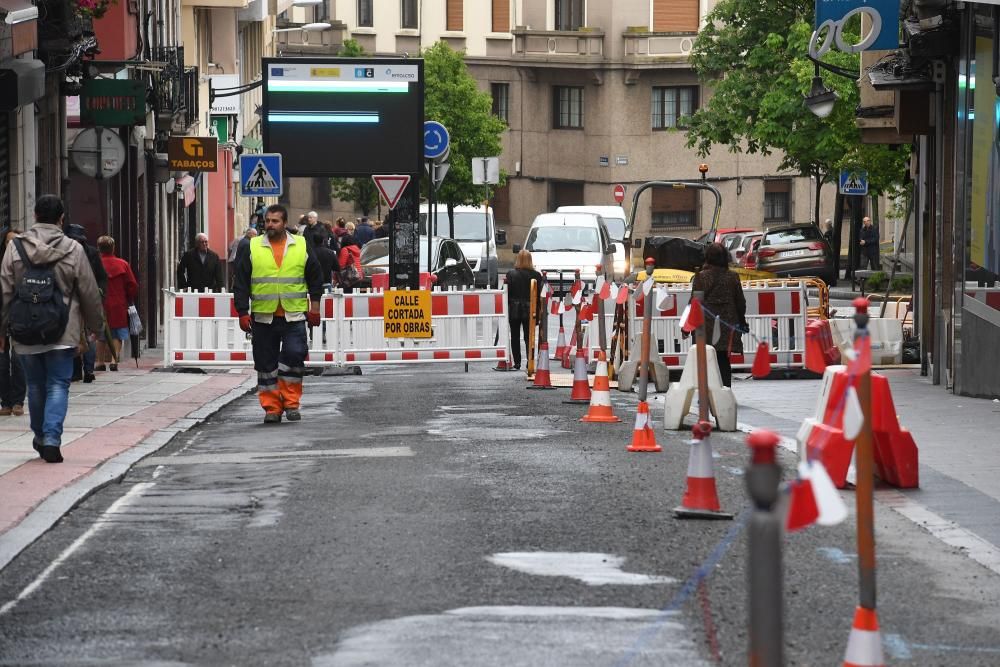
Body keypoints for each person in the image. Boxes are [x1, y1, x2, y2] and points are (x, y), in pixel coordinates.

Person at [0, 195, 104, 463]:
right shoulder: (73, 248)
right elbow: (89, 291)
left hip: (24, 329)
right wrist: (96, 327)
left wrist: (2, 329)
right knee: (58, 384)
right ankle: (51, 439)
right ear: (61, 219)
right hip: (63, 328)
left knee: (35, 385)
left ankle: (39, 436)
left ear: (34, 216)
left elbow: (5, 290)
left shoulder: (15, 248)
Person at [233, 204, 324, 424]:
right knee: (265, 365)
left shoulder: (301, 244)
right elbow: (241, 282)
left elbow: (315, 277)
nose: (270, 225)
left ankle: (291, 403)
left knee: (294, 355)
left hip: (293, 315)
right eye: (267, 221)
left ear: (284, 223)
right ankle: (272, 408)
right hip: (263, 317)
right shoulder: (252, 246)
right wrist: (242, 312)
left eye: (275, 221)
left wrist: (315, 307)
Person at [691, 242, 747, 388]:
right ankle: (725, 392)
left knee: (705, 360)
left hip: (705, 326)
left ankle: (705, 392)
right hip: (726, 325)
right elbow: (740, 302)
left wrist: (688, 327)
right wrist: (742, 322)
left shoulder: (700, 277)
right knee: (723, 360)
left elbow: (694, 303)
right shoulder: (733, 277)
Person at [66, 224, 107, 384]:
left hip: (85, 299)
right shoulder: (70, 252)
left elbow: (102, 277)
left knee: (87, 335)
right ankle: (80, 371)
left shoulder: (91, 253)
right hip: (75, 301)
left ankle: (87, 370)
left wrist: (100, 293)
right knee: (79, 336)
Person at [97, 235, 139, 372]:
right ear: (113, 248)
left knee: (101, 334)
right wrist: (128, 298)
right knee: (117, 333)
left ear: (99, 248)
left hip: (100, 304)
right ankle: (114, 360)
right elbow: (132, 285)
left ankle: (100, 361)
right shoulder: (123, 264)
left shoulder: (96, 264)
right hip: (119, 304)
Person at [504, 249, 545, 370]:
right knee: (529, 337)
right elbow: (538, 295)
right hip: (530, 309)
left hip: (514, 309)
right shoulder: (536, 275)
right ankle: (530, 360)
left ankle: (517, 362)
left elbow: (507, 293)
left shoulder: (510, 274)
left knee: (515, 336)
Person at [0, 227, 25, 414]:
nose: (11, 245)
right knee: (1, 361)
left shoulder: (25, 266)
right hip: (2, 317)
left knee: (18, 360)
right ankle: (5, 402)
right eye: (8, 241)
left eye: (14, 242)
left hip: (20, 318)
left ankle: (18, 401)